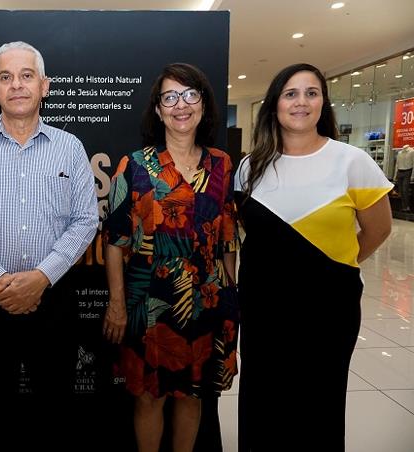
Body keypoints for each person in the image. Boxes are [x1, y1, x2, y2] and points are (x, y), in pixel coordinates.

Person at [0, 41, 98, 450]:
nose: (17, 85)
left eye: (27, 76)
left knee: (54, 409)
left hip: (54, 299)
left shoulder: (70, 148)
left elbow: (86, 221)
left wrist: (41, 277)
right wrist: (1, 281)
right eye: (6, 77)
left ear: (44, 86)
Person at [234, 63, 393, 451]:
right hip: (263, 309)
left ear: (323, 102)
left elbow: (378, 230)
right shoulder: (250, 167)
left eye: (311, 93)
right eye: (290, 93)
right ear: (274, 104)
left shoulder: (352, 161)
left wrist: (331, 268)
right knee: (263, 403)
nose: (301, 102)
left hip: (328, 311)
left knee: (319, 406)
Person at [102, 63, 239, 452]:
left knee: (194, 397)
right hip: (149, 306)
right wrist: (116, 305)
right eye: (170, 97)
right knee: (149, 398)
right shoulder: (134, 166)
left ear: (203, 105)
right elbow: (114, 241)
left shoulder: (221, 165)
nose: (181, 105)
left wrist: (231, 300)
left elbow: (228, 239)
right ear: (159, 110)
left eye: (191, 95)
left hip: (208, 301)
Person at [395, 144, 414, 211]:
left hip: (408, 171)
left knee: (405, 190)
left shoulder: (412, 151)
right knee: (400, 191)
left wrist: (412, 176)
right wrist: (395, 175)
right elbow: (397, 164)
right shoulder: (399, 153)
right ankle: (404, 207)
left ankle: (407, 206)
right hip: (399, 172)